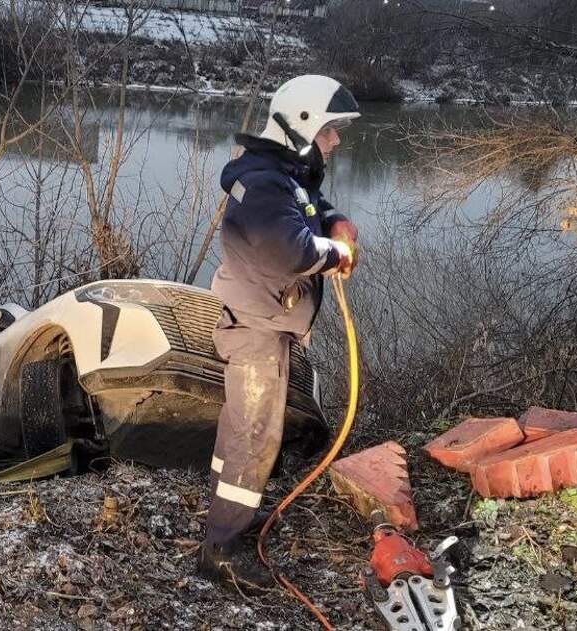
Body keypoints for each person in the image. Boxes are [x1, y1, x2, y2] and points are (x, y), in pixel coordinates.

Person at [198, 75, 360, 588]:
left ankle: (226, 510)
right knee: (254, 434)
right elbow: (289, 249)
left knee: (241, 426)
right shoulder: (267, 184)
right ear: (303, 125)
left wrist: (335, 220)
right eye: (330, 130)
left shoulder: (281, 173)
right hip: (257, 328)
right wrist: (337, 251)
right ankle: (221, 549)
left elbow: (307, 209)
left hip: (262, 320)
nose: (336, 140)